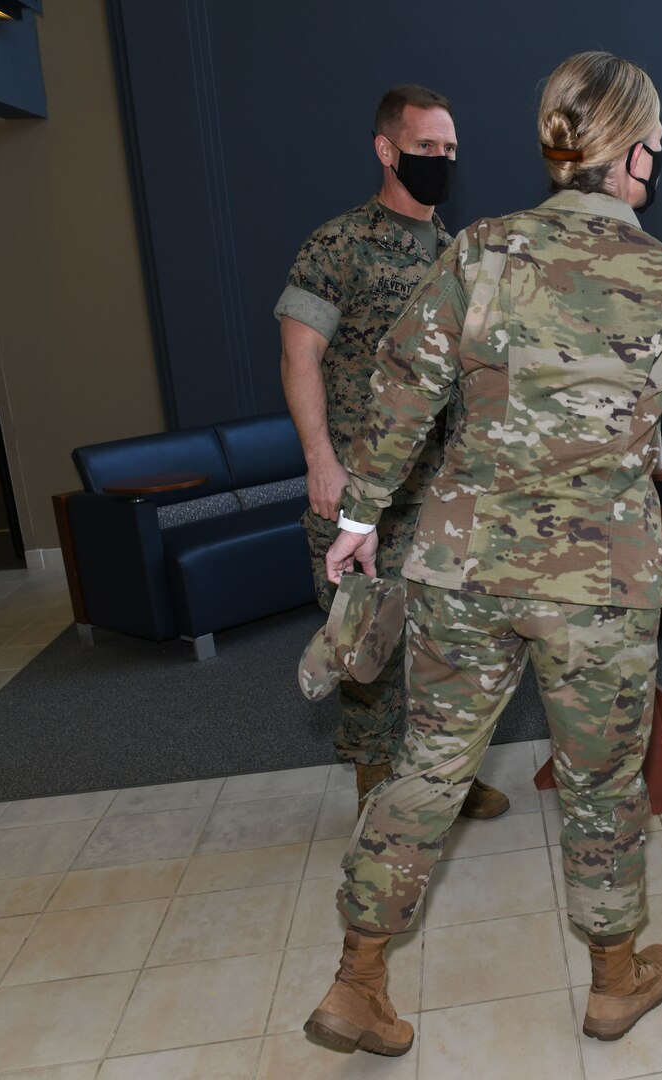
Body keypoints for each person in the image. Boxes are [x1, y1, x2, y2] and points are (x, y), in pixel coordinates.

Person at [301, 53, 662, 1057]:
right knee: (603, 781)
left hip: (463, 568)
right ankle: (614, 982)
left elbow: (403, 387)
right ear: (635, 155)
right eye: (653, 146)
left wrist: (359, 517)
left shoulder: (479, 251)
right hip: (599, 586)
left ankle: (357, 982)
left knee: (427, 771)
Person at [276, 85, 508, 821]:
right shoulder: (338, 244)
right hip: (360, 491)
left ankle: (446, 776)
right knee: (367, 646)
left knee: (450, 649)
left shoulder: (457, 253)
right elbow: (298, 354)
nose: (440, 161)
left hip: (442, 494)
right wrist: (321, 461)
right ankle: (377, 782)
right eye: (426, 148)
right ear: (387, 149)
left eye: (449, 151)